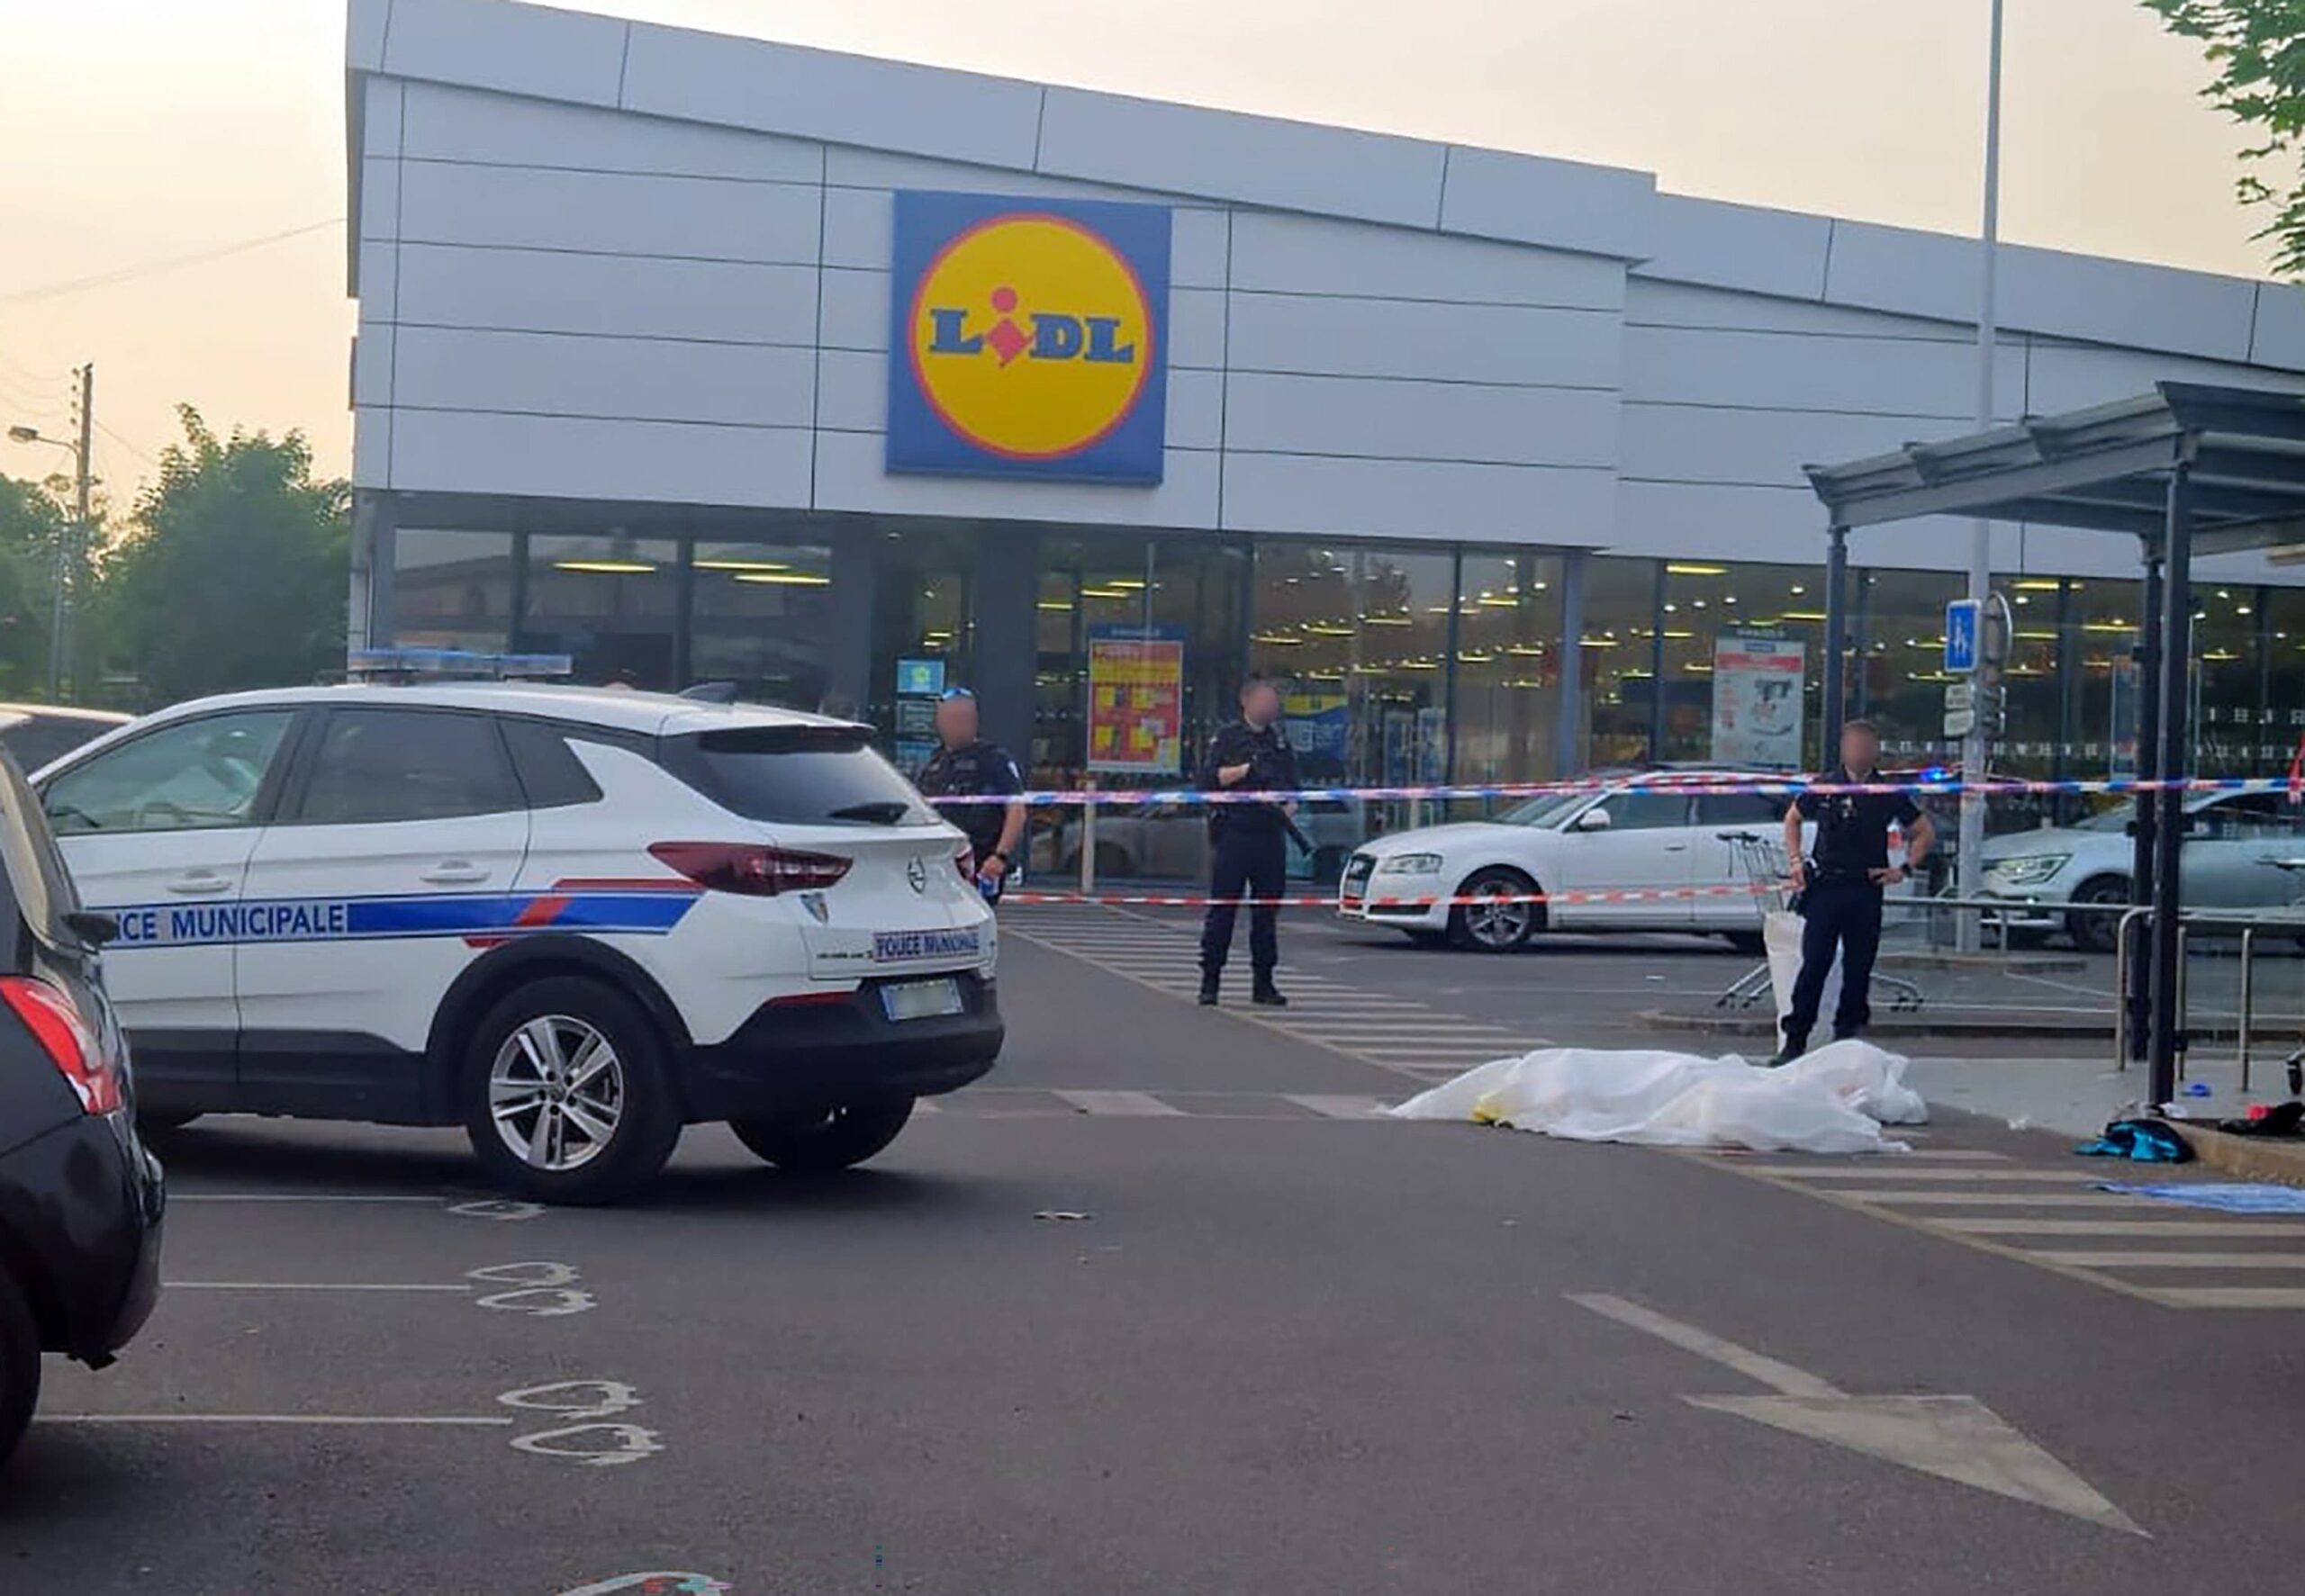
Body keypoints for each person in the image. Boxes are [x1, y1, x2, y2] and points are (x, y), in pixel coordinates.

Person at [1776, 718, 1936, 1063]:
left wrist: (1903, 869)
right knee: (1815, 963)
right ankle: (1795, 1040)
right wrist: (1795, 860)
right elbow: (1792, 819)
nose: (1859, 751)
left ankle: (1846, 1039)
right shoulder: (1825, 785)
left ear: (1875, 749)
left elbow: (1923, 831)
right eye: (1853, 744)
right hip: (1826, 886)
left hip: (1866, 888)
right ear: (1843, 748)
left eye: (1865, 744)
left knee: (1858, 967)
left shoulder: (1886, 792)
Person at [1198, 676, 1300, 1007]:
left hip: (1269, 834)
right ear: (1247, 702)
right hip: (1234, 833)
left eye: (1275, 702)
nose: (1272, 707)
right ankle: (1210, 980)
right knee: (1223, 911)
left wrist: (1287, 807)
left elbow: (1294, 789)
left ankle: (1263, 982)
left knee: (1267, 913)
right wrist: (1244, 770)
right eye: (1266, 700)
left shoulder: (1280, 742)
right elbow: (1207, 779)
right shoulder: (1228, 738)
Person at [915, 688, 1026, 903]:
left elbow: (1016, 810)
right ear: (939, 721)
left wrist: (1000, 856)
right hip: (938, 864)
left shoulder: (993, 759)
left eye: (964, 719)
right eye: (952, 719)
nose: (959, 725)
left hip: (980, 862)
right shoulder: (934, 762)